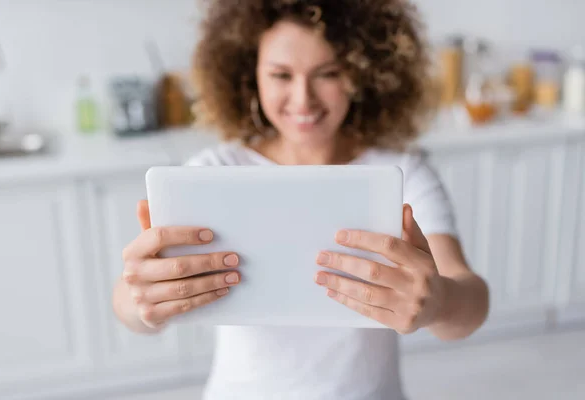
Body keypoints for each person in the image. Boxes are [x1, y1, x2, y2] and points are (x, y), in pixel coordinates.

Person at [114, 1, 490, 399]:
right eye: (280, 75)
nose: (303, 98)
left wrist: (440, 301)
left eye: (327, 73)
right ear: (249, 75)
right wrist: (142, 301)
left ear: (362, 74)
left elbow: (470, 301)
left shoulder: (400, 174)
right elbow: (127, 305)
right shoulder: (214, 170)